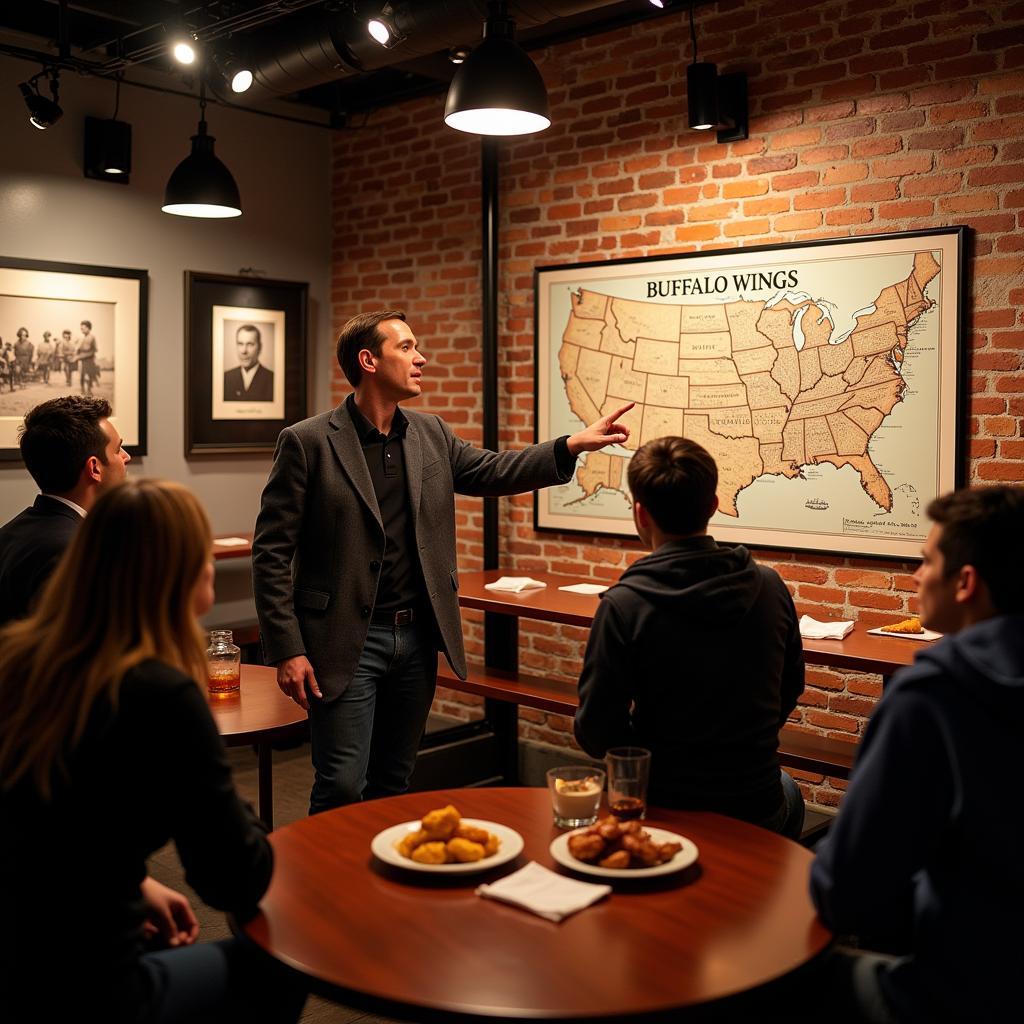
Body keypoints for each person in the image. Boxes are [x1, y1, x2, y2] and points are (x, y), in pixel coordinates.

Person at [253, 309, 633, 813]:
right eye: (406, 347)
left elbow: (496, 470)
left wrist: (570, 446)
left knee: (394, 780)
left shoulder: (430, 433)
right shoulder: (308, 442)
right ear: (368, 360)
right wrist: (286, 647)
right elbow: (272, 552)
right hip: (344, 641)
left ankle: (382, 887)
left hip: (415, 640)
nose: (421, 358)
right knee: (343, 783)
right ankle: (326, 887)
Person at [0, 479, 306, 1024]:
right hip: (87, 985)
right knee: (284, 963)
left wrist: (136, 884)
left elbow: (51, 821)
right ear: (185, 574)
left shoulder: (22, 660)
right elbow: (233, 877)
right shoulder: (160, 693)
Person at [806, 486, 1024, 1023]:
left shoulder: (933, 694)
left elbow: (846, 892)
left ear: (966, 583)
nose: (917, 576)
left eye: (927, 561)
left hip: (965, 993)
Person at [573, 436, 805, 836]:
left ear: (641, 514)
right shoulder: (769, 585)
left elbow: (596, 732)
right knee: (792, 792)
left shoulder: (624, 605)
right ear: (714, 505)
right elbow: (790, 687)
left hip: (662, 806)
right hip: (757, 803)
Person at [0, 396, 129, 626]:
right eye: (118, 449)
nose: (126, 457)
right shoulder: (77, 551)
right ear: (94, 468)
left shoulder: (9, 533)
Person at [224, 323, 274, 401]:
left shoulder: (272, 379)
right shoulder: (225, 378)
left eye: (250, 344)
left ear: (260, 347)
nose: (244, 351)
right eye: (240, 344)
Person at [75, 319, 99, 394]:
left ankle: (89, 390)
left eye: (83, 328)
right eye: (81, 328)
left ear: (88, 328)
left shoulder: (92, 337)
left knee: (89, 375)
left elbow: (94, 349)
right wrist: (78, 353)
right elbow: (78, 349)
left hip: (89, 359)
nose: (81, 330)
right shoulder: (81, 338)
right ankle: (82, 390)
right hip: (82, 360)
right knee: (82, 375)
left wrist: (86, 355)